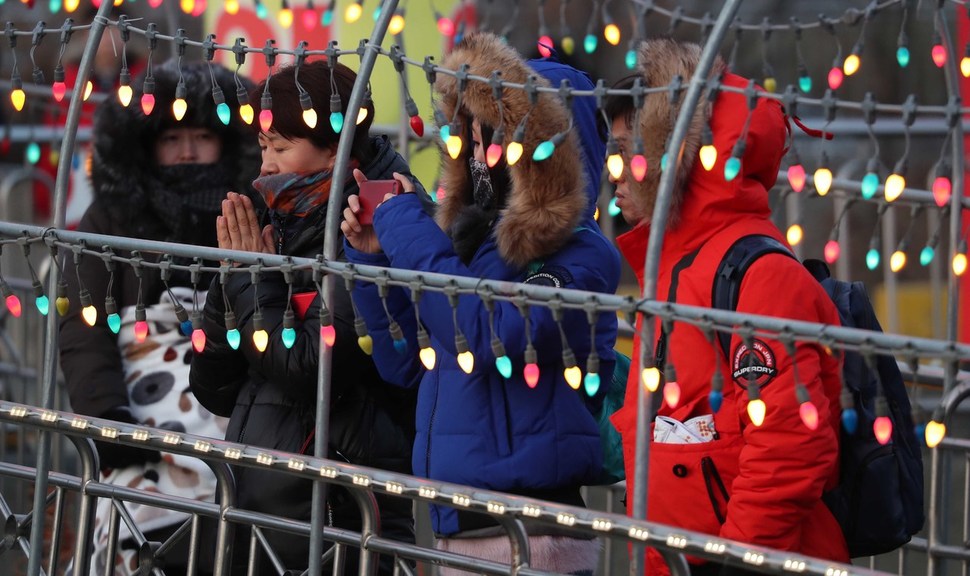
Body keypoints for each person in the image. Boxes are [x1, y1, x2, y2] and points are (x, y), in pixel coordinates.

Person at [341, 32, 620, 576]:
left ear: (545, 152)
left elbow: (486, 332)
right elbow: (403, 361)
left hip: (532, 535)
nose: (474, 153)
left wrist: (405, 226)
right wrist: (373, 259)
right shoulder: (471, 248)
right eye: (467, 137)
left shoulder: (583, 255)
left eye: (488, 137)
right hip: (456, 527)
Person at [604, 38, 848, 575]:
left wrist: (732, 561)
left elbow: (789, 445)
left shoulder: (758, 276)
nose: (613, 170)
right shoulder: (675, 267)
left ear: (676, 152)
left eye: (626, 149)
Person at [188, 59, 421, 575]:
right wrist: (236, 276)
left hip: (340, 519)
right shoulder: (277, 219)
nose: (265, 166)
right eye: (263, 148)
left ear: (335, 149)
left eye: (281, 148)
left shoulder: (378, 228)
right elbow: (212, 385)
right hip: (260, 513)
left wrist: (252, 278)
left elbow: (310, 364)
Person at [58, 59, 261, 575]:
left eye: (200, 135)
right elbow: (85, 330)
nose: (188, 151)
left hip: (228, 418)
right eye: (172, 137)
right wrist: (106, 420)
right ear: (148, 143)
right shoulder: (111, 218)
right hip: (138, 420)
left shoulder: (249, 214)